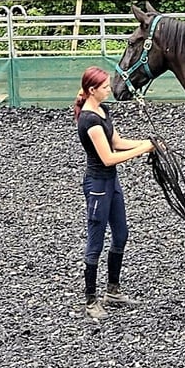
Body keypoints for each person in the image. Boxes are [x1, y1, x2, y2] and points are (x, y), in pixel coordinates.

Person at [73, 66, 155, 319]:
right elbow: (108, 157)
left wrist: (146, 143)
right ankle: (90, 299)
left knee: (121, 234)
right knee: (95, 241)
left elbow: (117, 142)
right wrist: (143, 150)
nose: (109, 90)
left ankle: (113, 290)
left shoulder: (103, 111)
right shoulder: (89, 120)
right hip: (98, 185)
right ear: (92, 90)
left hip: (111, 183)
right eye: (105, 87)